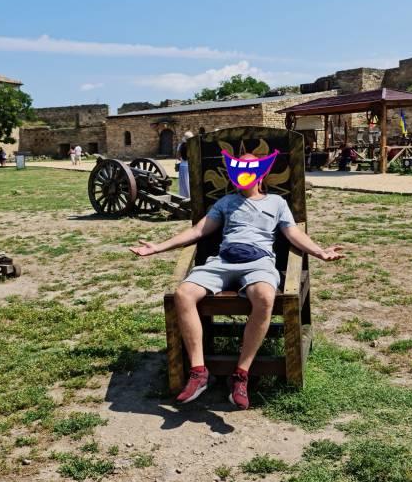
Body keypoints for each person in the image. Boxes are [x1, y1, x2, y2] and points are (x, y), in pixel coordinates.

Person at [131, 147, 343, 409]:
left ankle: (241, 374)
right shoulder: (226, 203)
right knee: (183, 294)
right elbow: (198, 231)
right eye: (240, 168)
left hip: (259, 263)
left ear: (261, 174)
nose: (245, 173)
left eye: (250, 168)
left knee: (265, 296)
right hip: (223, 262)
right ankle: (199, 372)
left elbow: (294, 234)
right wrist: (158, 247)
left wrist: (320, 252)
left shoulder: (276, 203)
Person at [177, 130, 193, 198]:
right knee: (190, 183)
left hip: (182, 166)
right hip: (190, 166)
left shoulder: (180, 145)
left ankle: (183, 196)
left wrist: (182, 160)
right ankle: (190, 196)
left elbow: (178, 157)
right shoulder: (192, 146)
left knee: (183, 183)